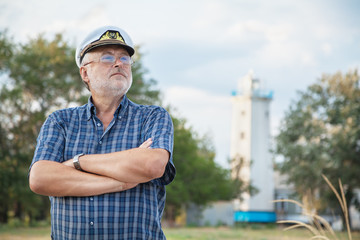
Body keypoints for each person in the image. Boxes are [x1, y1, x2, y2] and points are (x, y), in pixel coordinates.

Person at [29, 25, 176, 240]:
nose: (119, 63)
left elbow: (152, 165)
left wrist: (77, 163)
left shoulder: (152, 117)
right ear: (85, 72)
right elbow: (40, 179)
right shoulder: (60, 121)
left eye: (125, 58)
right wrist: (121, 182)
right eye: (107, 57)